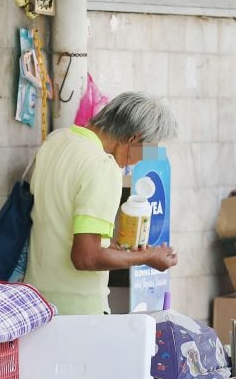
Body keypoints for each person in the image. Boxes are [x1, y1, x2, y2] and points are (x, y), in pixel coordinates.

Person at [23, 92, 179, 315]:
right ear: (133, 139)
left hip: (36, 302)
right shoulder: (103, 168)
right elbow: (85, 257)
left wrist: (122, 249)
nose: (142, 160)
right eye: (146, 151)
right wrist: (147, 257)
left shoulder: (57, 141)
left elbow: (62, 228)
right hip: (78, 311)